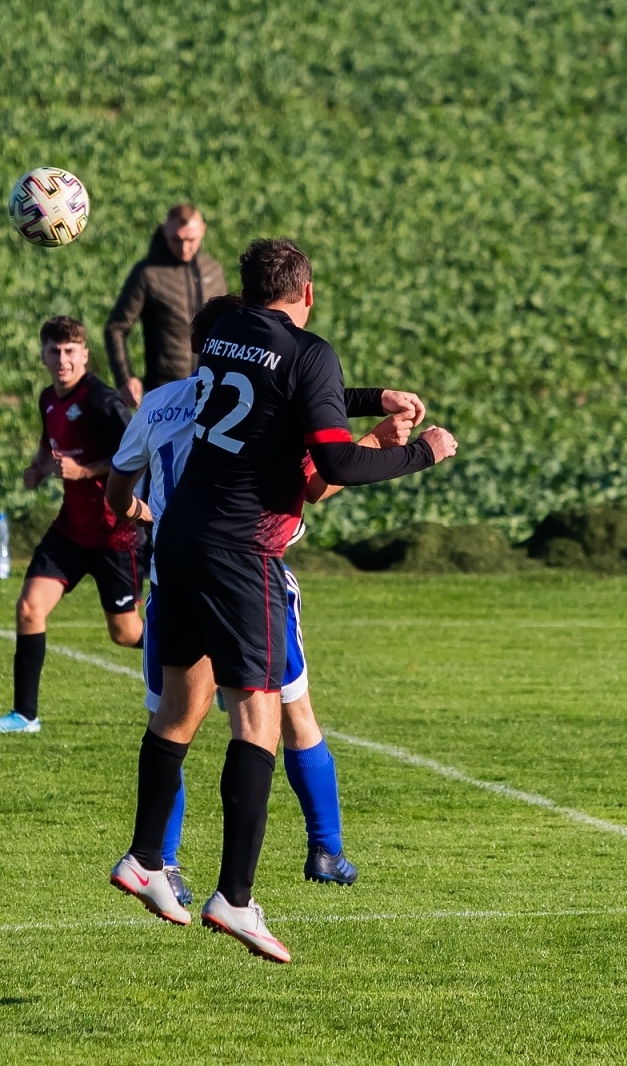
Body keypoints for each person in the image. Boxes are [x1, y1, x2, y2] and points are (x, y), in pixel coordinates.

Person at [111, 239, 459, 963]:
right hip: (244, 552)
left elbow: (285, 387)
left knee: (179, 708)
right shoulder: (310, 351)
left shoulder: (225, 334)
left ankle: (146, 857)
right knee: (260, 719)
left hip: (178, 542)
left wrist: (371, 397)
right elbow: (332, 462)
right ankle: (235, 898)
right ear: (309, 289)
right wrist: (418, 452)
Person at [0, 317, 142, 735]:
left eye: (71, 351)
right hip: (71, 529)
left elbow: (139, 452)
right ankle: (24, 716)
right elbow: (50, 442)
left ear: (85, 354)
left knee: (125, 634)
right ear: (43, 355)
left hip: (114, 533)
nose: (63, 359)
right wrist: (38, 467)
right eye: (55, 351)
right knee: (29, 608)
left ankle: (205, 658)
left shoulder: (102, 401)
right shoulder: (48, 397)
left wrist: (86, 471)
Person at [104, 203, 228, 409]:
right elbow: (116, 328)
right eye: (176, 240)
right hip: (166, 391)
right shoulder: (148, 274)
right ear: (164, 231)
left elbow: (228, 327)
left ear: (203, 230)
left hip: (212, 387)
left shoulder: (214, 270)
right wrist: (125, 378)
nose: (184, 247)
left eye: (191, 239)